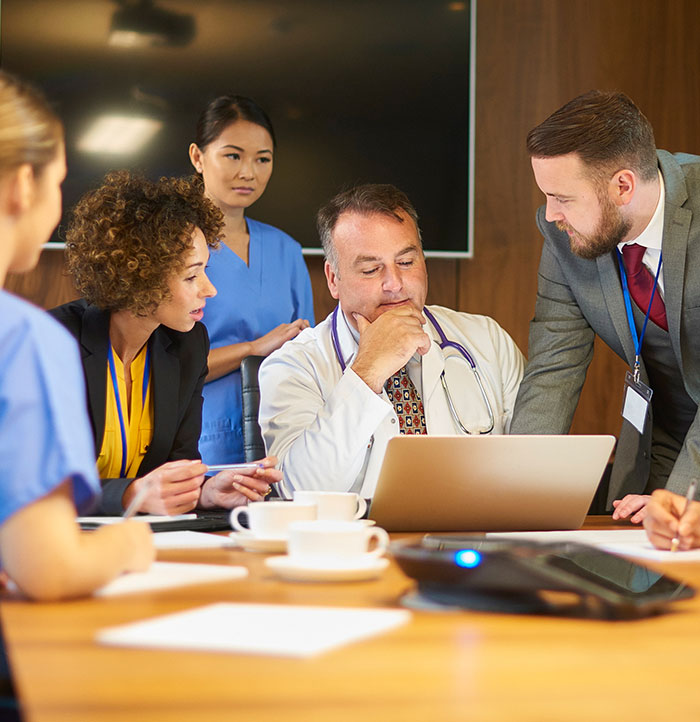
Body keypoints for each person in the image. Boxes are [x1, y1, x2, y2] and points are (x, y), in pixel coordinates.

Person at [258, 183, 524, 498]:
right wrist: (367, 371)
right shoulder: (293, 366)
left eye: (407, 263)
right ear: (334, 279)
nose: (394, 284)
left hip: (471, 538)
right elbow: (299, 490)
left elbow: (530, 469)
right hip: (356, 543)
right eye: (371, 269)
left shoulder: (488, 341)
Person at [510, 90, 700, 523]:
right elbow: (553, 368)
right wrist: (515, 492)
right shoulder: (563, 233)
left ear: (622, 186)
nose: (550, 213)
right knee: (640, 565)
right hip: (669, 434)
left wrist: (684, 499)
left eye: (563, 197)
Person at [0, 71, 154, 600]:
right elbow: (52, 571)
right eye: (60, 180)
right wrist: (130, 544)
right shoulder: (24, 340)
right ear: (23, 184)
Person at [51, 172, 281, 515]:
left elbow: (179, 465)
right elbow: (30, 482)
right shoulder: (53, 341)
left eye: (205, 270)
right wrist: (129, 495)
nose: (209, 289)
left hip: (140, 544)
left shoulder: (188, 345)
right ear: (138, 277)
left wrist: (204, 492)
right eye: (192, 275)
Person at [188, 95, 314, 465]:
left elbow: (307, 356)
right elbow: (158, 369)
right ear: (198, 157)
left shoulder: (286, 250)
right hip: (197, 444)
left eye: (263, 159)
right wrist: (251, 348)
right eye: (233, 155)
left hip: (278, 444)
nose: (249, 172)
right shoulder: (174, 249)